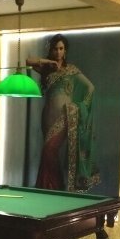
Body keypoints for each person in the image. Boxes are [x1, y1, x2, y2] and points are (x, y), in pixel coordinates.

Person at [26, 34, 99, 191]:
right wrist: (49, 62)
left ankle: (49, 188)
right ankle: (55, 189)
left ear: (65, 51)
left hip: (64, 116)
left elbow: (90, 88)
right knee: (50, 152)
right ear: (51, 51)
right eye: (55, 49)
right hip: (47, 116)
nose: (58, 52)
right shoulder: (46, 70)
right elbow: (28, 61)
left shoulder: (71, 70)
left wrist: (78, 107)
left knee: (49, 149)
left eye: (61, 49)